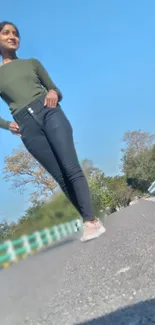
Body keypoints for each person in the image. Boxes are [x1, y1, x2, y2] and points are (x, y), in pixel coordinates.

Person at [0, 21, 106, 242]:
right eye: (6, 33)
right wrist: (5, 124)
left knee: (71, 167)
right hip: (26, 126)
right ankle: (92, 220)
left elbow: (54, 87)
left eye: (16, 34)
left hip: (49, 112)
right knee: (59, 176)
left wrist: (53, 94)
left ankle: (88, 222)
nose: (13, 36)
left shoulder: (31, 63)